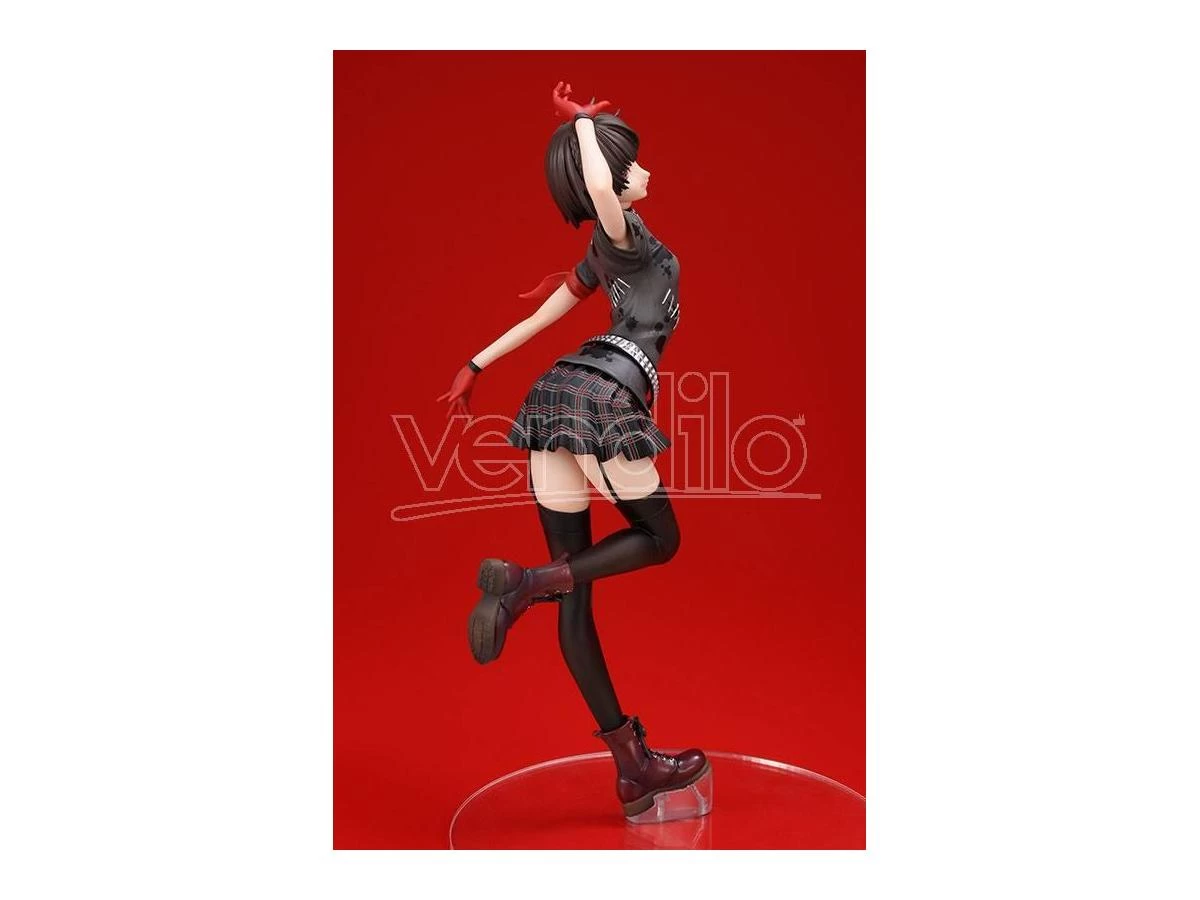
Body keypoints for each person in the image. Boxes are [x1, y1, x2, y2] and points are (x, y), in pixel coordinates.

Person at [437, 81, 710, 821]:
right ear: (612, 186)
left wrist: (476, 364)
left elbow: (545, 317)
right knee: (660, 539)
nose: (644, 172)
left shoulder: (599, 257)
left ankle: (632, 769)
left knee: (578, 593)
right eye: (632, 165)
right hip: (606, 398)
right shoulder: (625, 235)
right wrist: (587, 125)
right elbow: (597, 187)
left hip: (552, 395)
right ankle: (527, 583)